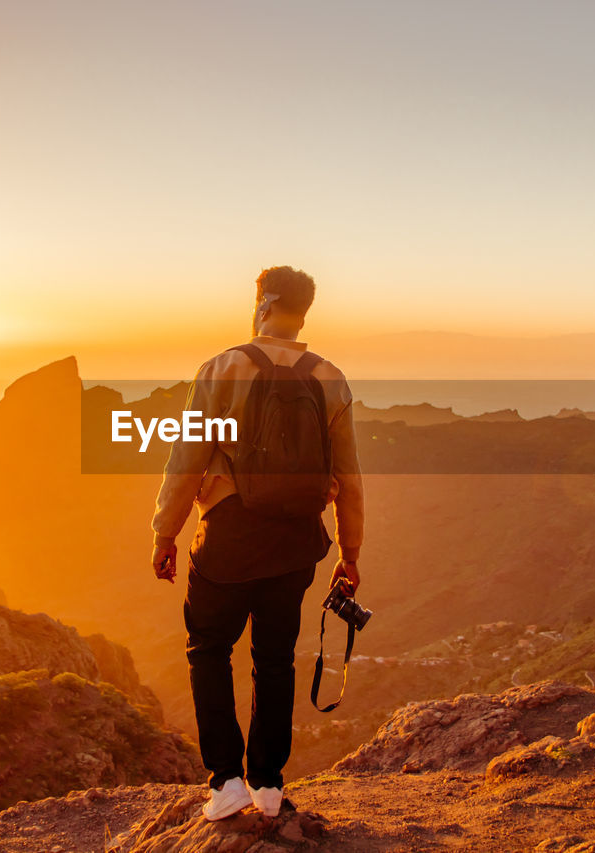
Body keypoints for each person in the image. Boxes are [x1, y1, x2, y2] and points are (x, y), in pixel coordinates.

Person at [150, 265, 364, 821]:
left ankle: (226, 782)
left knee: (208, 649)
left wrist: (165, 533)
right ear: (304, 311)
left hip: (229, 538)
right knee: (275, 660)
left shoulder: (223, 369)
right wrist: (350, 553)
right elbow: (351, 475)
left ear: (264, 304)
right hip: (296, 544)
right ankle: (268, 785)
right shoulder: (330, 377)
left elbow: (186, 459)